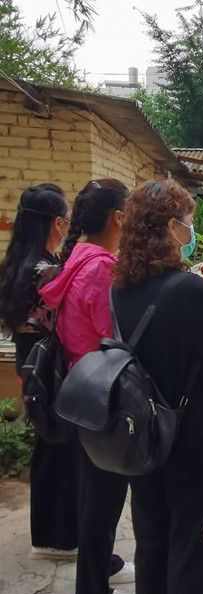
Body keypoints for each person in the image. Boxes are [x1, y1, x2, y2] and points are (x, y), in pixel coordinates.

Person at [112, 179, 203, 594]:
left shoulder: (120, 288)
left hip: (140, 431)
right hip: (192, 433)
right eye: (187, 222)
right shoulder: (191, 290)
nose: (190, 231)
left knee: (151, 537)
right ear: (170, 228)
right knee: (193, 539)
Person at [40, 179, 135, 594]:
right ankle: (94, 590)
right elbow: (114, 335)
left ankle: (97, 580)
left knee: (94, 494)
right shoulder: (102, 269)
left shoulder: (78, 256)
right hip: (103, 394)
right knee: (103, 500)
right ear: (118, 218)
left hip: (81, 389)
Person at [0, 184, 77, 560]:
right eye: (66, 220)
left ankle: (47, 534)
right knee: (61, 447)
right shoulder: (48, 271)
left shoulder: (17, 264)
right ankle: (57, 540)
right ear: (57, 224)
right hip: (50, 368)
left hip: (29, 363)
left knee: (48, 446)